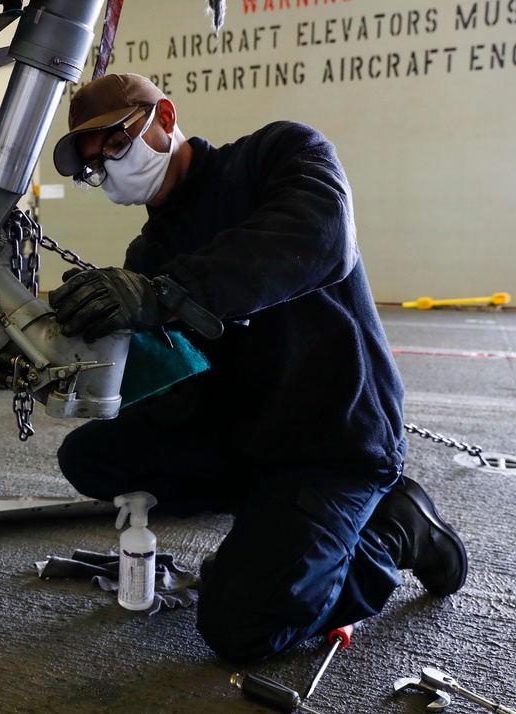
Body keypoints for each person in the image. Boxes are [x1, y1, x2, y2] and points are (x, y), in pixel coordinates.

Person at [48, 73, 467, 664]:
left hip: (336, 441)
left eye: (115, 144)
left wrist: (166, 296)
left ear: (165, 117)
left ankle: (397, 531)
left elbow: (321, 237)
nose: (110, 169)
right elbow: (187, 389)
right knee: (89, 456)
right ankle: (278, 526)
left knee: (240, 624)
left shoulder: (276, 155)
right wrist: (103, 361)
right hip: (248, 438)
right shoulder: (147, 257)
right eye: (94, 167)